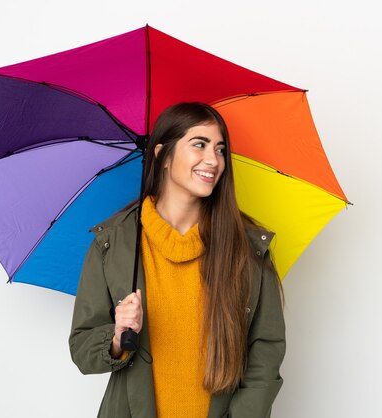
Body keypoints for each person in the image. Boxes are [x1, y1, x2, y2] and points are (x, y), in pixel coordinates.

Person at [69, 102, 286, 418]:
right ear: (163, 155)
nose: (213, 160)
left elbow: (265, 353)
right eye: (199, 144)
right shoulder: (112, 243)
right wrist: (116, 338)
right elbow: (83, 350)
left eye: (221, 149)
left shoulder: (248, 247)